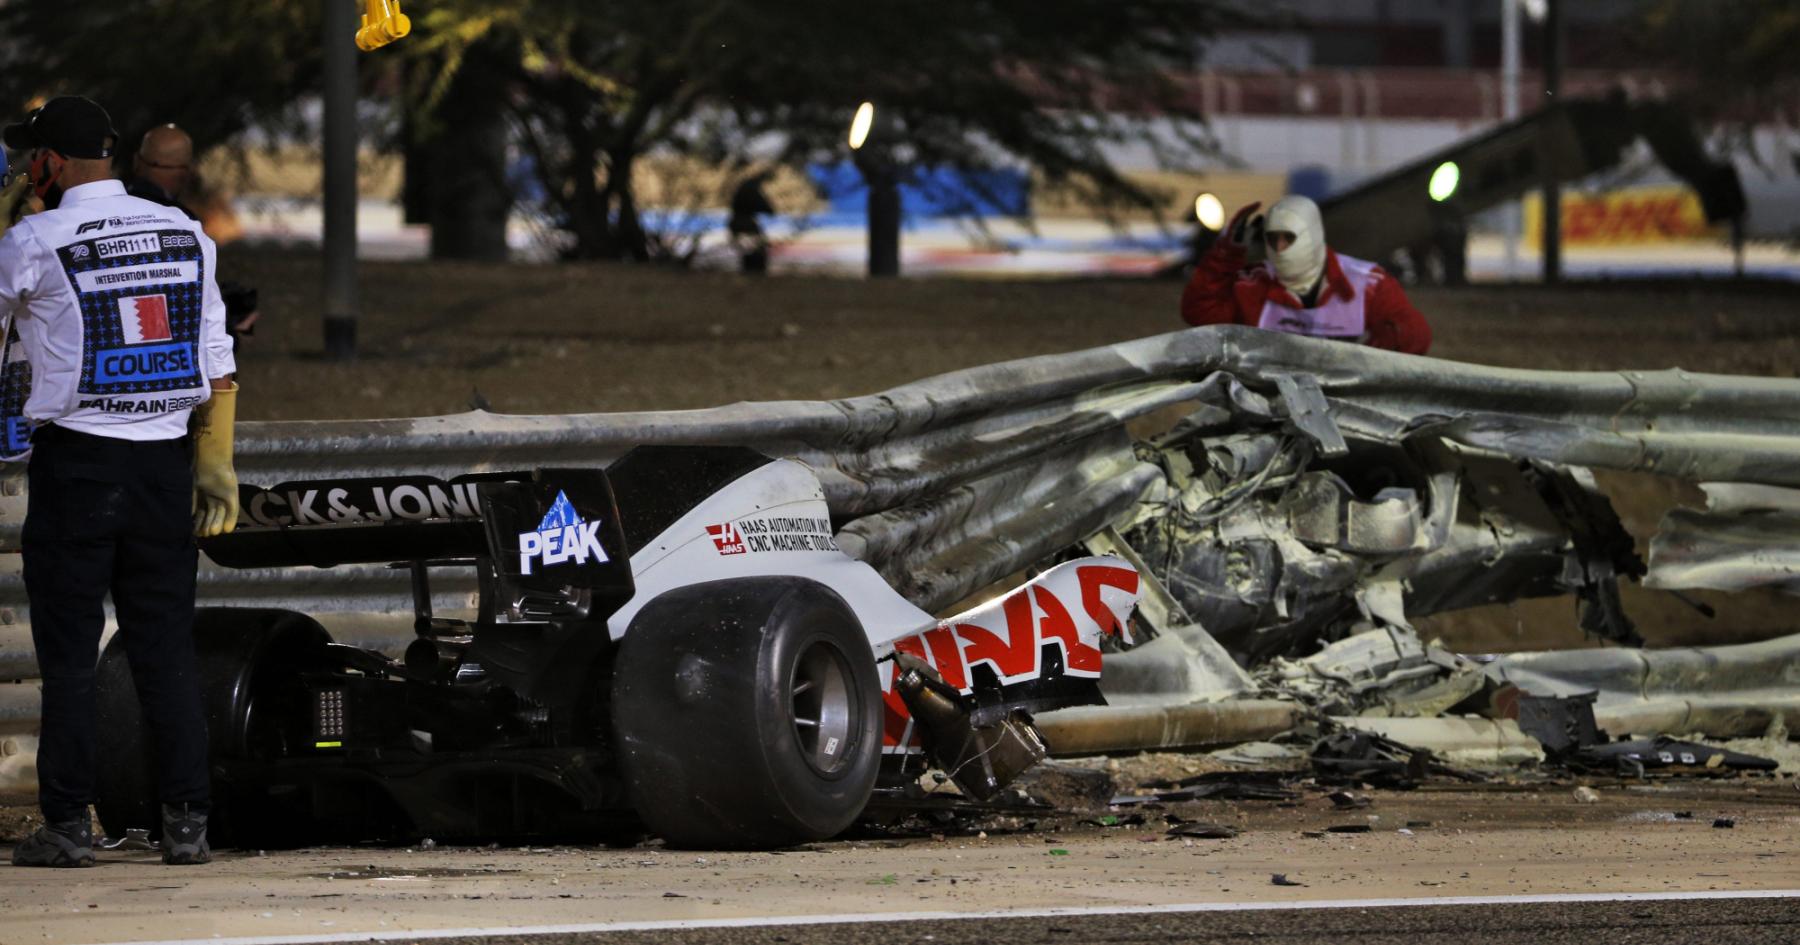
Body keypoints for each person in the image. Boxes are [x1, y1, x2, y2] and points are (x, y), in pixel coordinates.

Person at [0, 96, 240, 867]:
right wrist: (216, 460)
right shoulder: (186, 232)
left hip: (78, 465)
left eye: (30, 158)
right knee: (164, 648)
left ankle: (70, 824)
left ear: (52, 163)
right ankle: (187, 821)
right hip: (165, 469)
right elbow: (219, 361)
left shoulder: (34, 237)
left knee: (70, 655)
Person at [1179, 195, 1432, 355]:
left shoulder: (1367, 284)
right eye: (1272, 239)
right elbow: (1199, 311)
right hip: (1269, 414)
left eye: (1288, 239)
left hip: (1349, 411)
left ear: (1311, 235)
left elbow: (1414, 336)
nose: (1279, 249)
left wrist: (1368, 360)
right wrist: (1226, 255)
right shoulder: (1252, 284)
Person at [126, 124, 259, 348]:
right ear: (186, 173)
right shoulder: (183, 224)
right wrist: (230, 331)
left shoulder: (106, 214)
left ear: (136, 162)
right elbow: (185, 311)